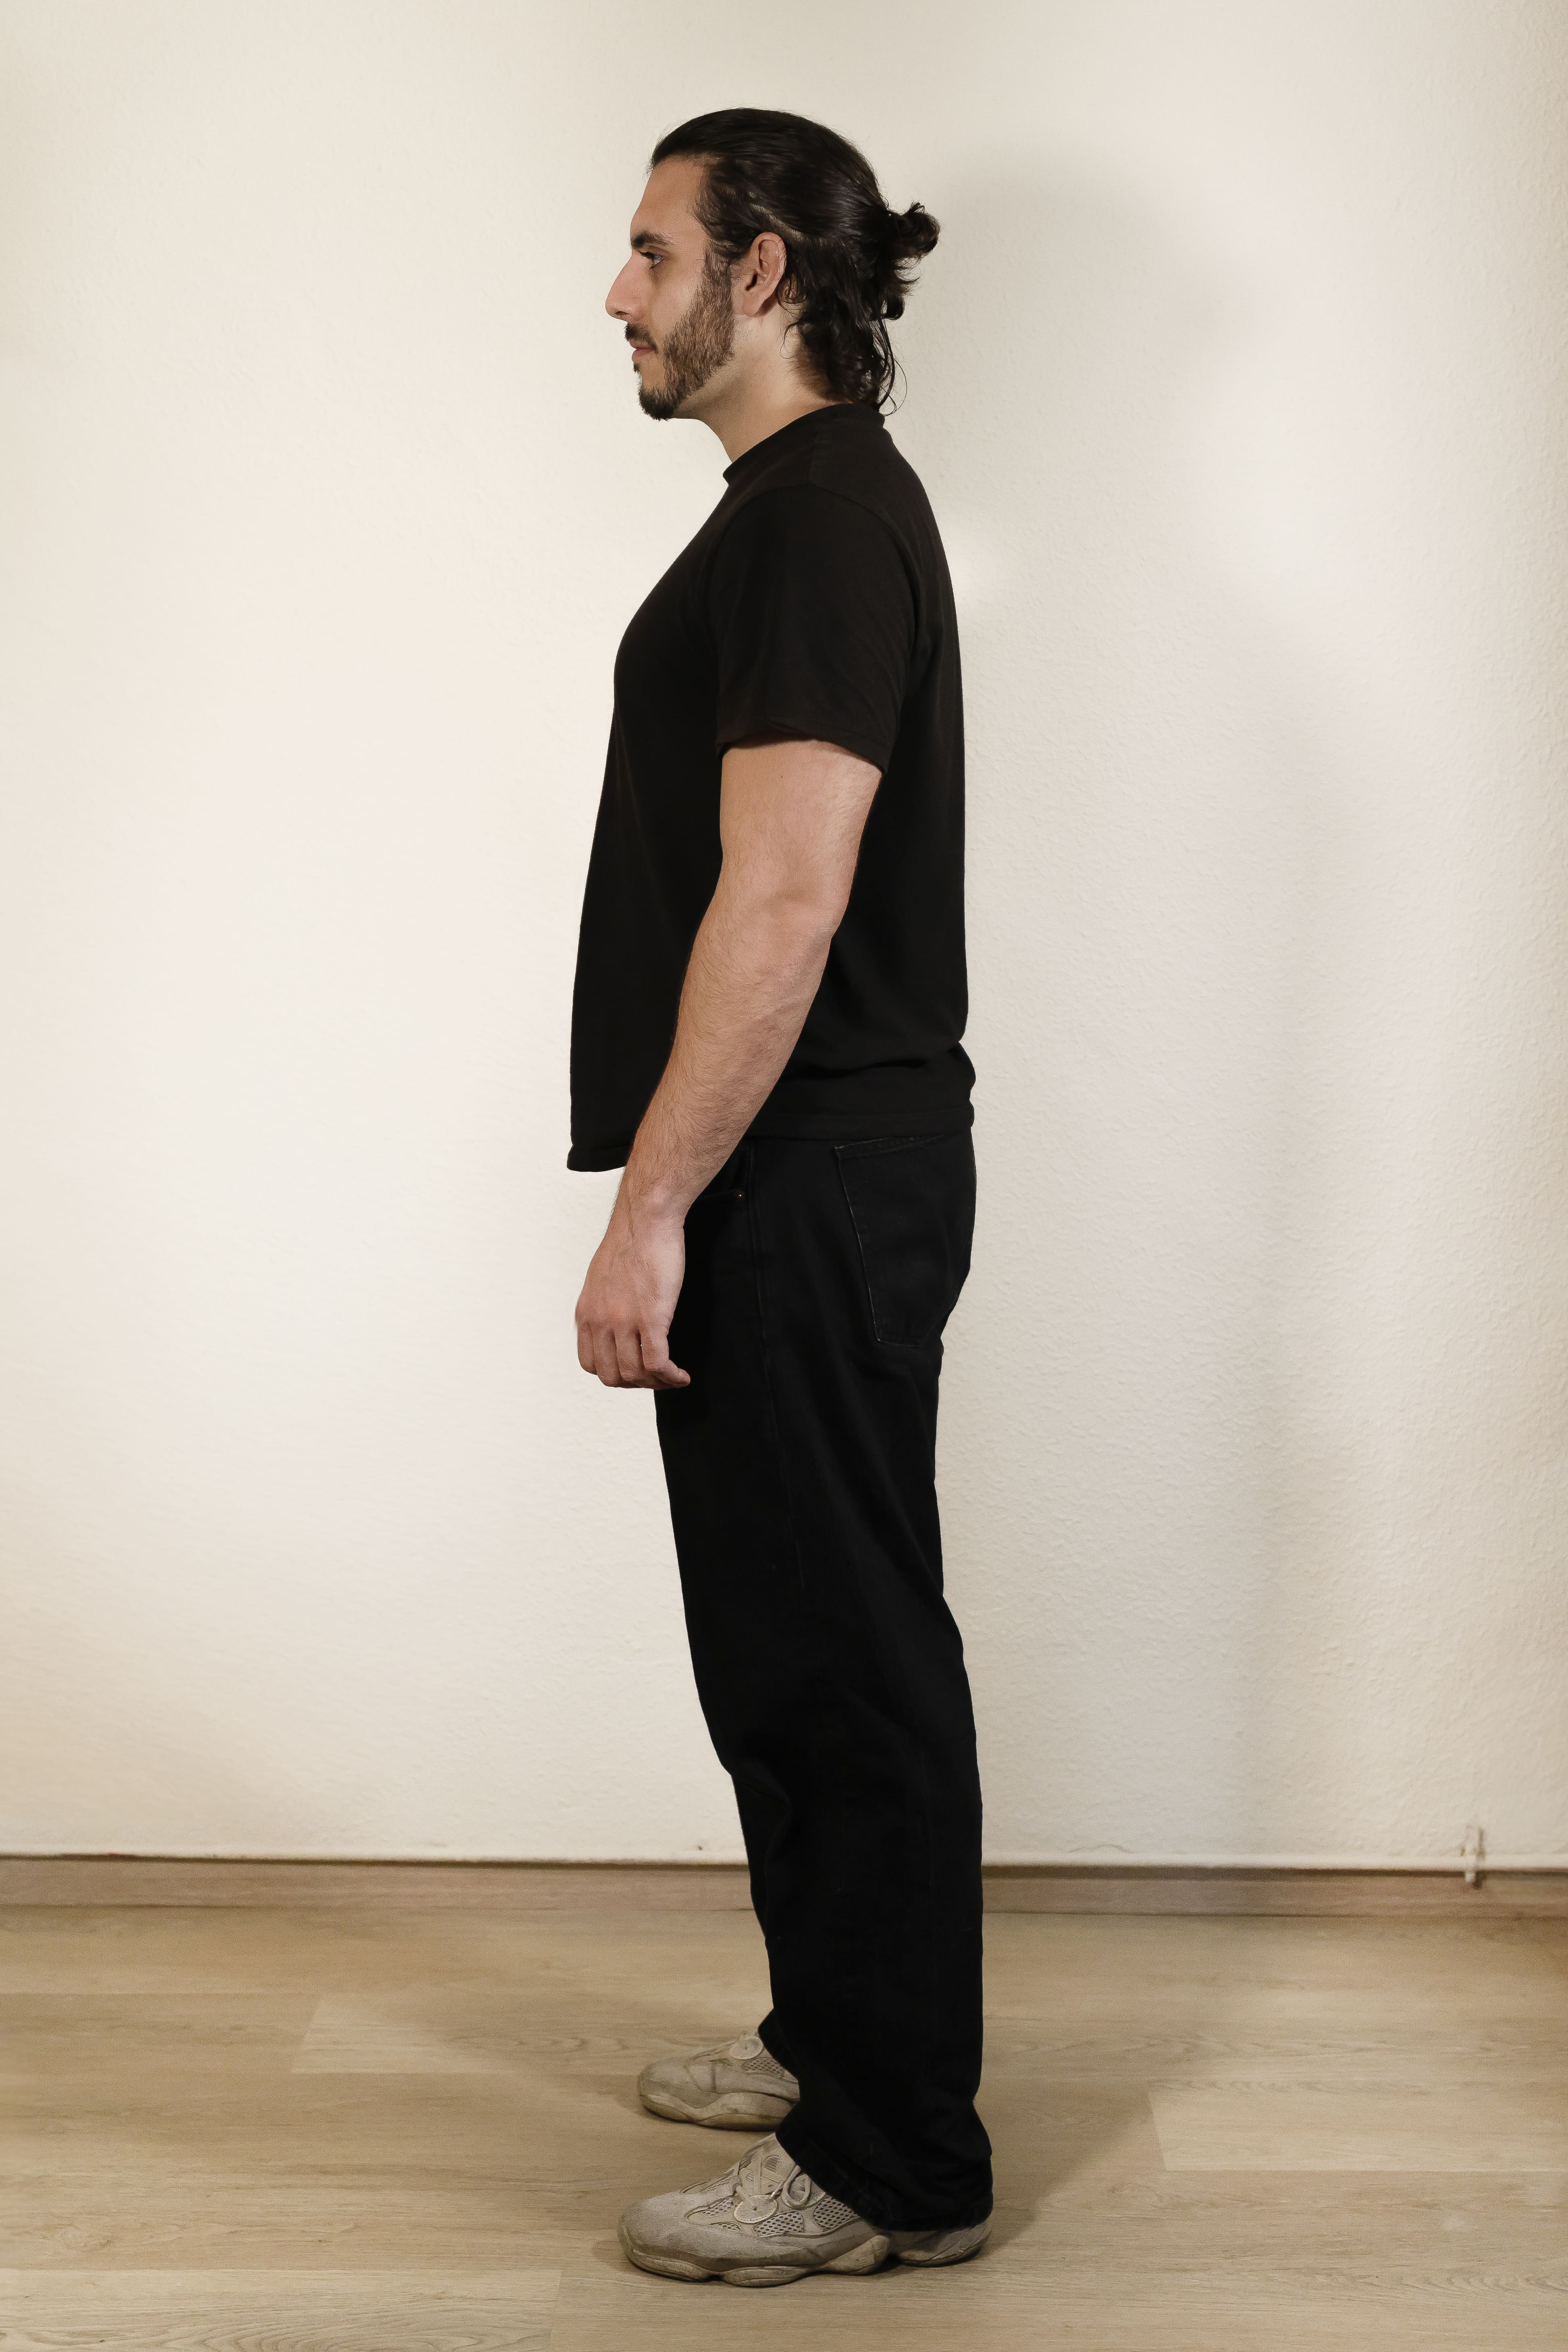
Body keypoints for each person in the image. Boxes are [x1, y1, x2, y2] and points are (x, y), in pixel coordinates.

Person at [569, 107, 991, 2289]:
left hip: (804, 1174)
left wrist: (651, 1207)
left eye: (653, 251)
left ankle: (892, 2161)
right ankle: (838, 2047)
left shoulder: (821, 520)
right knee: (785, 1653)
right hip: (799, 1167)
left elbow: (789, 893)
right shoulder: (796, 513)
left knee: (841, 1667)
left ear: (761, 272)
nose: (617, 293)